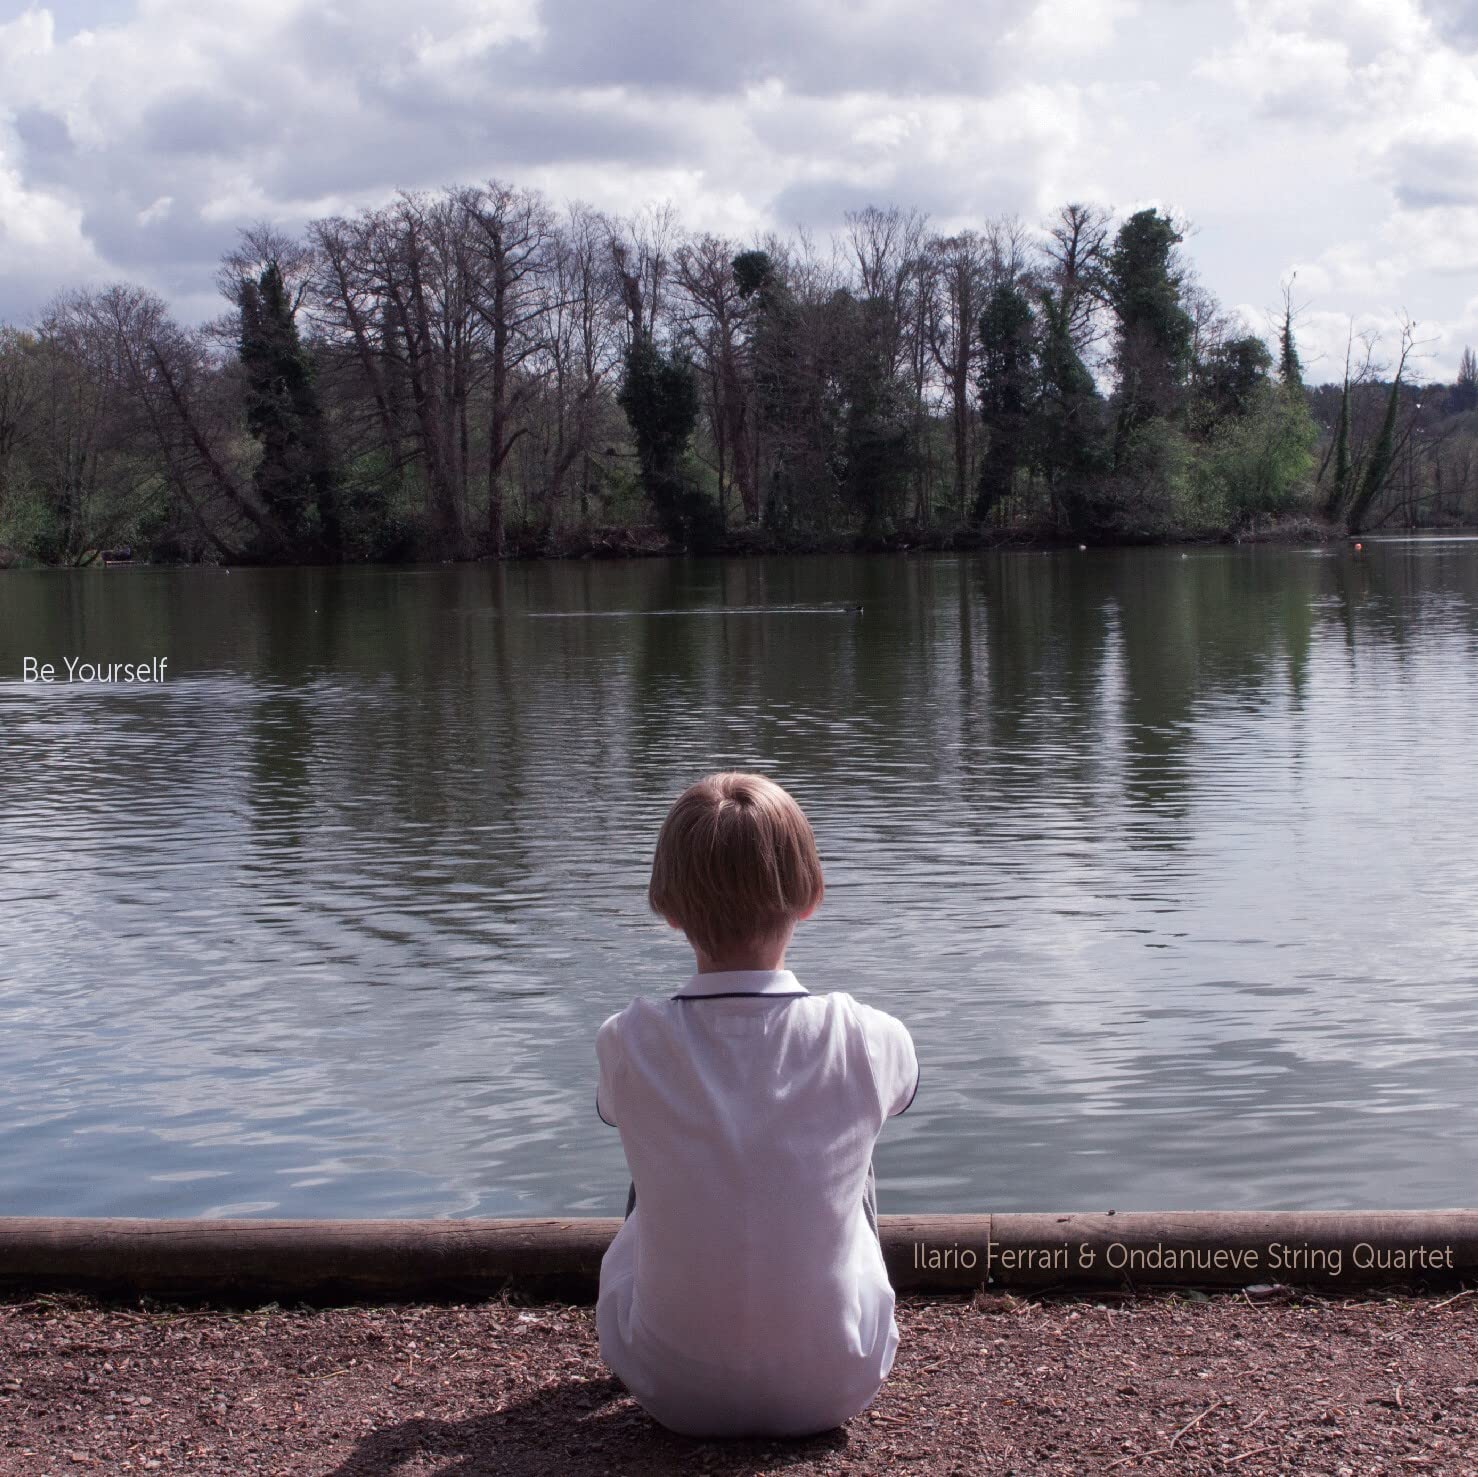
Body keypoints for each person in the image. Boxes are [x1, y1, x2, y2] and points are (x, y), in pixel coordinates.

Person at [594, 771, 918, 1438]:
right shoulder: (863, 1034)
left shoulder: (629, 1038)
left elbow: (607, 1107)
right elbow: (905, 1093)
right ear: (811, 897)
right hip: (834, 1382)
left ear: (669, 907)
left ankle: (681, 1328)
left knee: (648, 1118)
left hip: (668, 1387)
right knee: (856, 1124)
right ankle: (813, 1323)